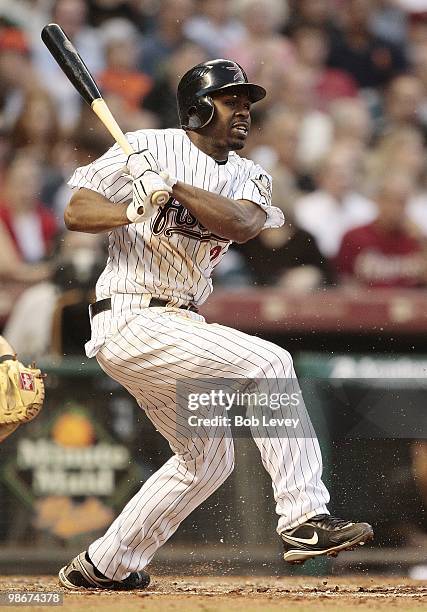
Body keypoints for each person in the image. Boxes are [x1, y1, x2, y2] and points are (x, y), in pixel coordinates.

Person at [58, 59, 373, 591]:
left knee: (206, 460)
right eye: (232, 102)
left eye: (248, 104)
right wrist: (133, 208)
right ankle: (303, 518)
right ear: (198, 107)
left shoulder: (252, 174)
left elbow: (244, 224)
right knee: (268, 361)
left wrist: (173, 188)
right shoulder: (146, 147)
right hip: (131, 317)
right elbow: (77, 210)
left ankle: (103, 564)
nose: (244, 113)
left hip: (178, 326)